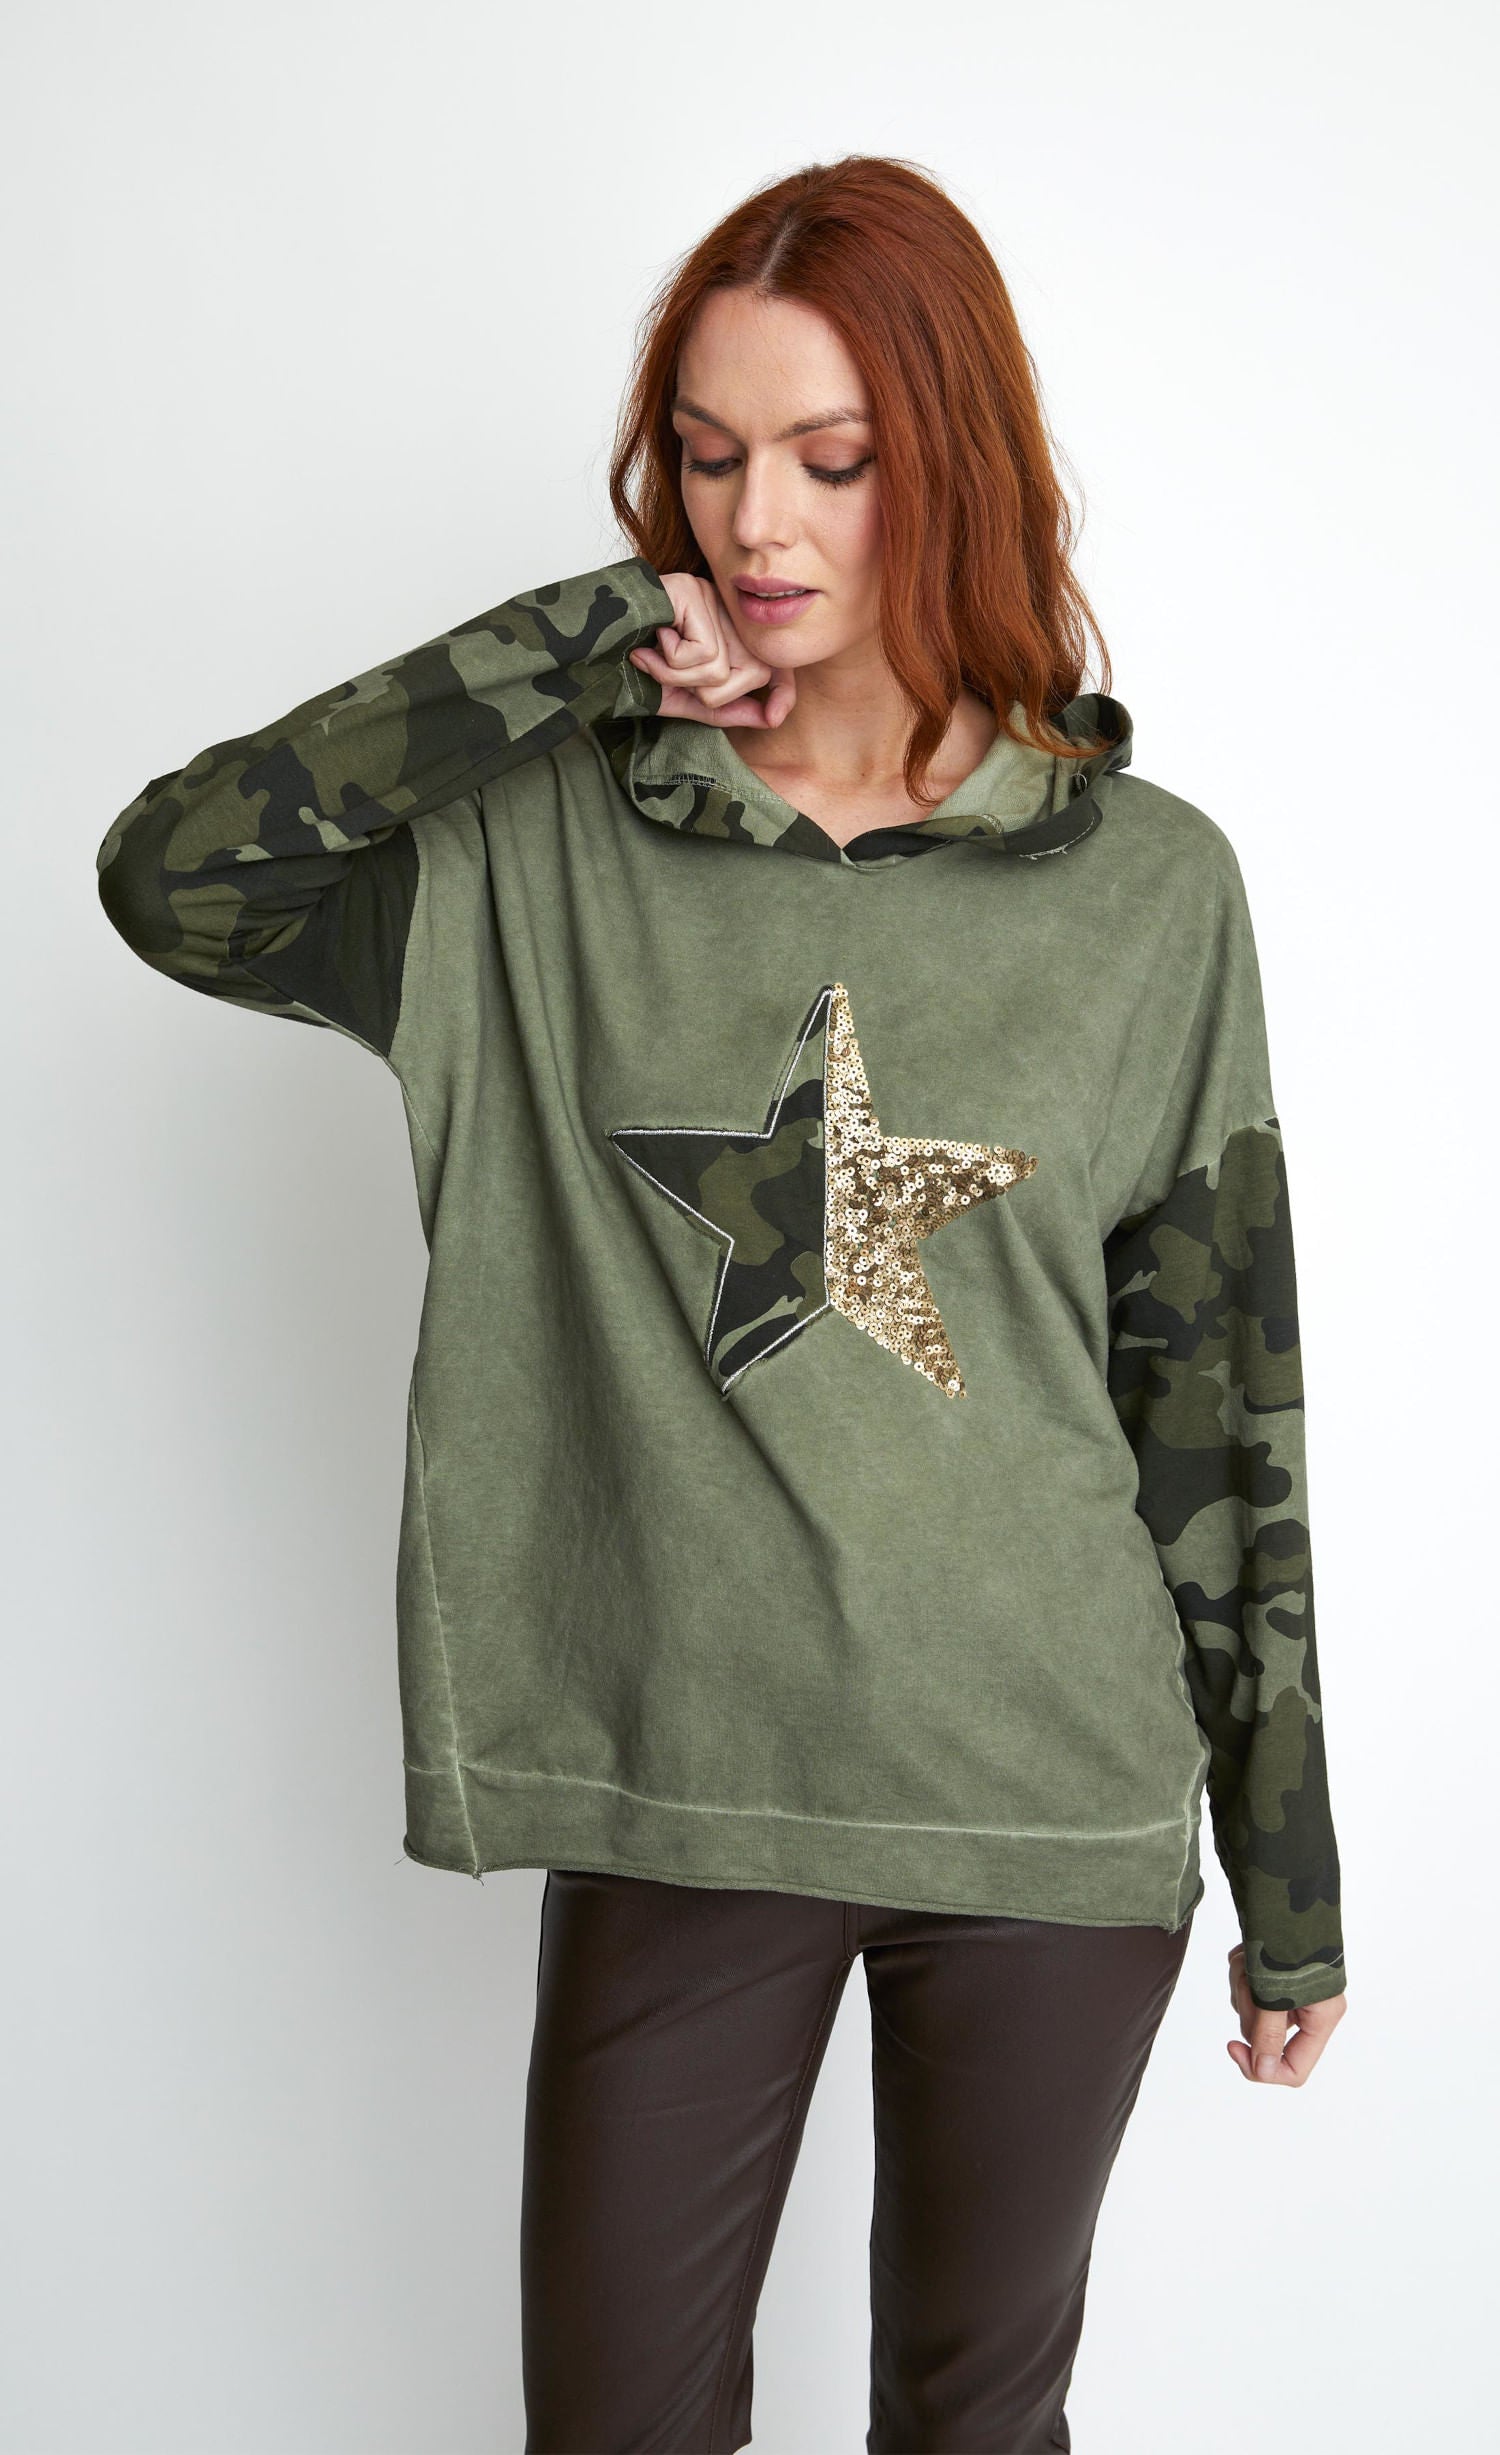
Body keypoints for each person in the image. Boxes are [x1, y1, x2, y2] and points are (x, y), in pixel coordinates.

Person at [96, 154, 1348, 2454]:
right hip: (680, 1777)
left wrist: (1289, 1873)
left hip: (1048, 1799)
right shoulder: (537, 843)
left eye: (831, 459)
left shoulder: (1151, 886)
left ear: (949, 465)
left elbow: (1216, 1391)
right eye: (707, 452)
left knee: (978, 2424)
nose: (758, 520)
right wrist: (577, 639)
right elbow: (178, 877)